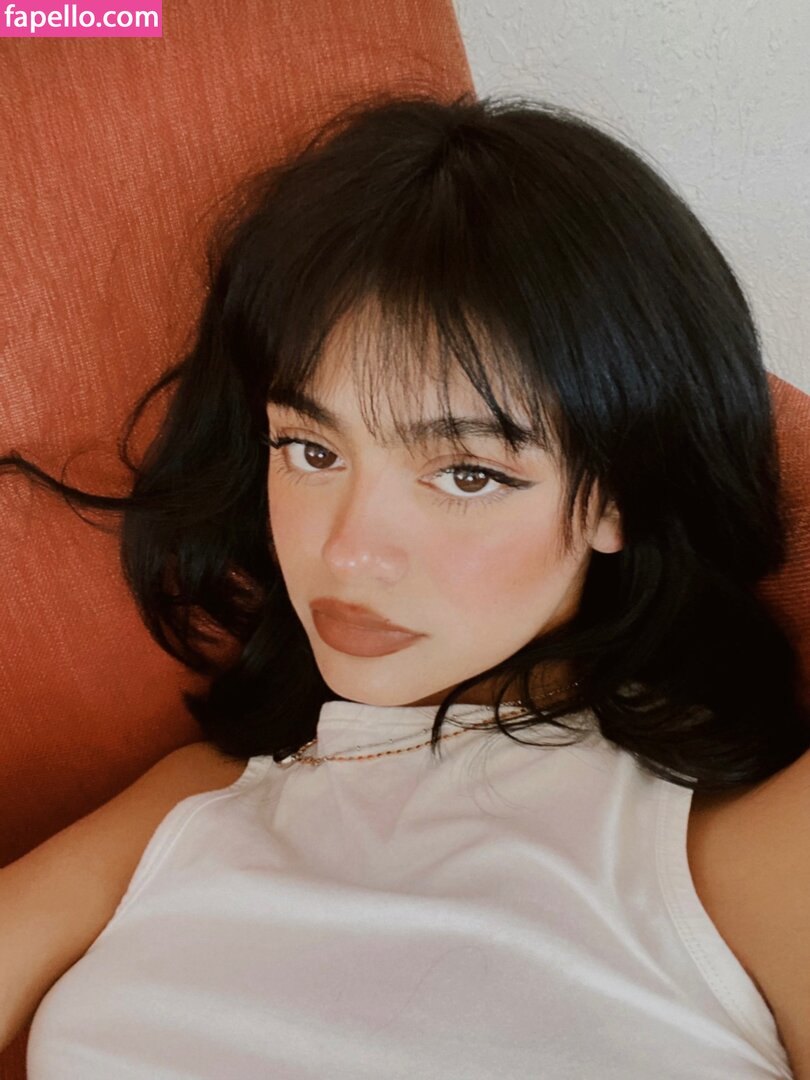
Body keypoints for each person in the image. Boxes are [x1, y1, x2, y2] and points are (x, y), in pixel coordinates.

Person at [2, 91, 806, 1077]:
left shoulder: (735, 850)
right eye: (310, 450)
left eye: (466, 474)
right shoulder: (196, 799)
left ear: (619, 496)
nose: (348, 554)